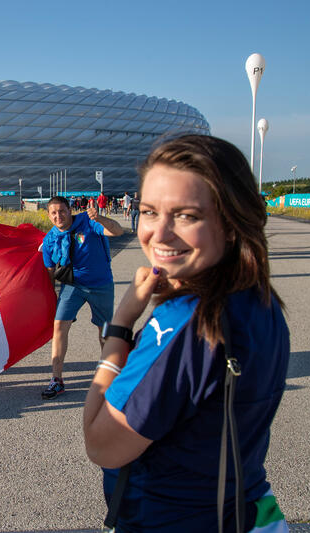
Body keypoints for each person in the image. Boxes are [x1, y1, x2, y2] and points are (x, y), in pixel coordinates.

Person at [82, 135, 289, 532]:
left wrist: (122, 324)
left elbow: (101, 444)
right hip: (242, 509)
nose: (159, 234)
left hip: (172, 518)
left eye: (186, 215)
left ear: (230, 224)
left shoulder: (186, 325)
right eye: (148, 211)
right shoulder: (259, 300)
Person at [40, 196, 124, 399]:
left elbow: (117, 231)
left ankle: (108, 376)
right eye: (53, 213)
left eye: (62, 211)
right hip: (72, 286)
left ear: (70, 210)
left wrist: (101, 218)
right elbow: (50, 271)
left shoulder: (88, 221)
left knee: (104, 330)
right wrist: (52, 295)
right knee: (59, 326)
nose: (58, 216)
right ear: (49, 216)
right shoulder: (50, 239)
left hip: (100, 284)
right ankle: (56, 379)